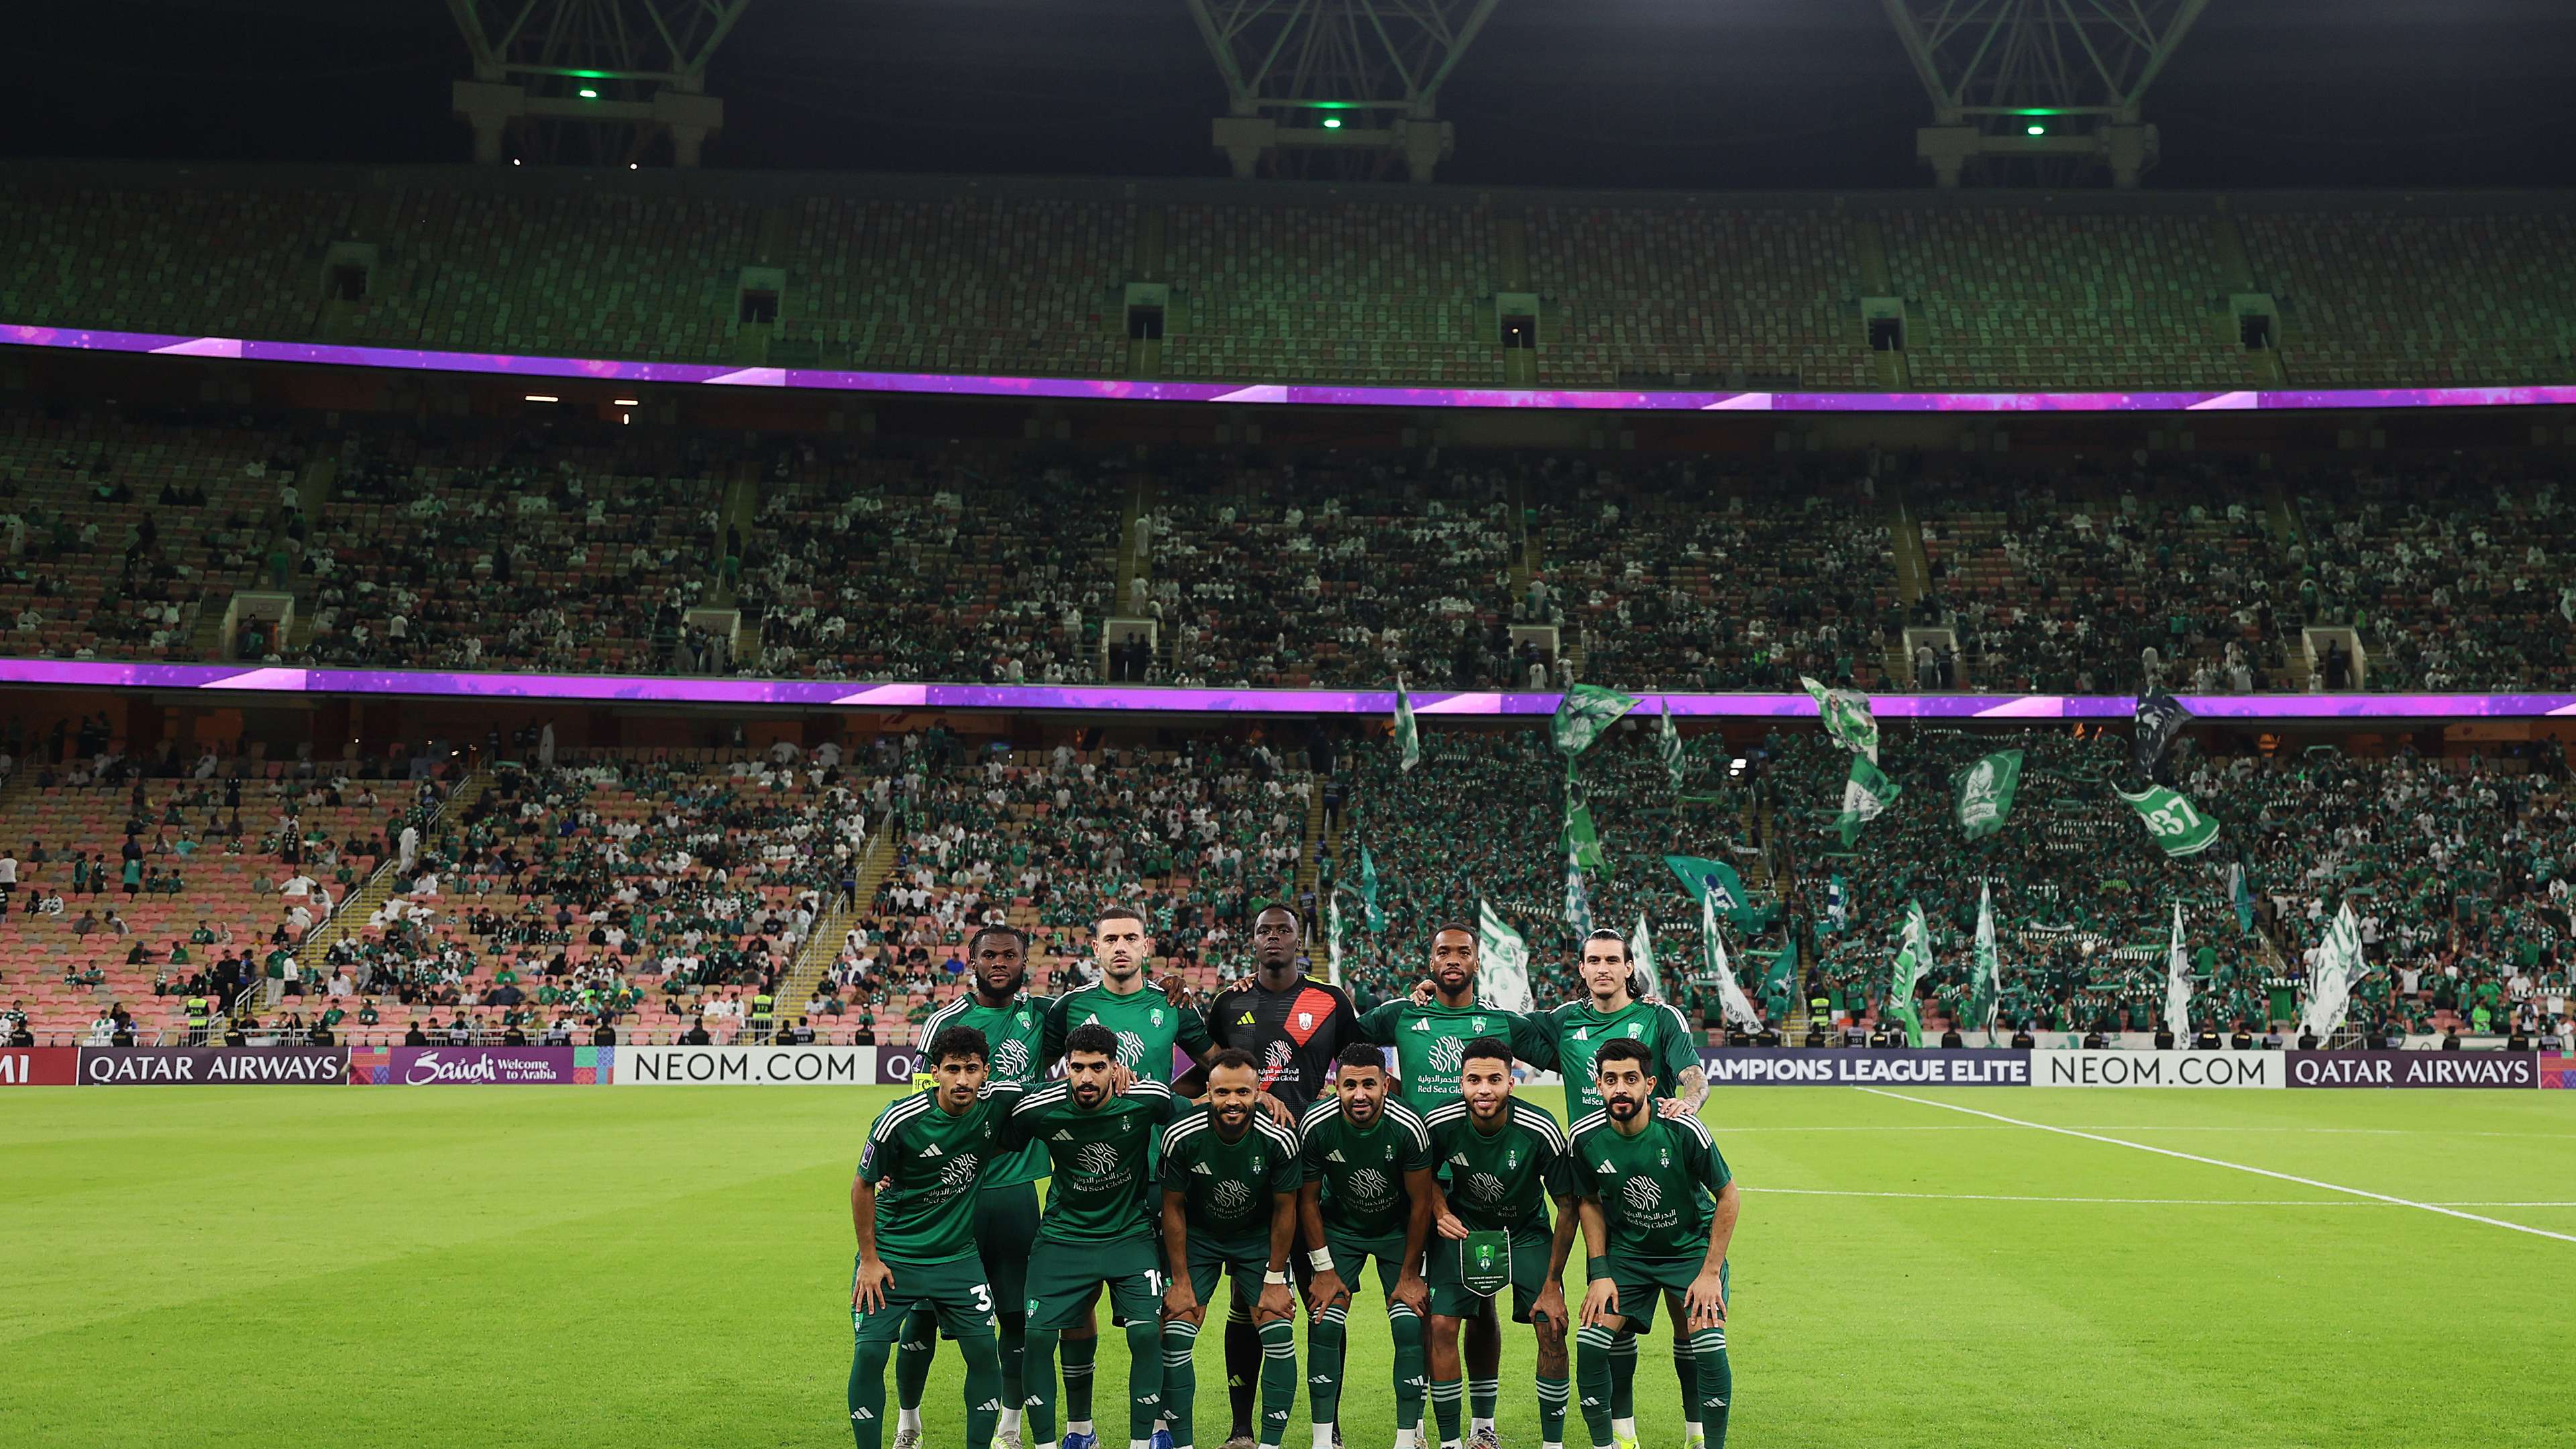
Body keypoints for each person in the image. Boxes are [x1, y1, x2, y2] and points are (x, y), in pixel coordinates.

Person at [1188, 902, 1364, 1444]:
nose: (1272, 938)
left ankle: (1326, 1426)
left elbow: (1359, 1063)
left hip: (1314, 1172)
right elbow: (1207, 1076)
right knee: (1247, 1302)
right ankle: (1243, 1429)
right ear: (1253, 939)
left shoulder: (1330, 1001)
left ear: (1300, 940)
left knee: (1322, 1299)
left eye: (1282, 930)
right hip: (1245, 1171)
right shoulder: (1230, 1001)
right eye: (1263, 930)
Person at [993, 1022, 1187, 1449]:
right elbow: (987, 1135)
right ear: (1065, 1067)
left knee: (1144, 1333)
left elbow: (1197, 1118)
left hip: (1129, 1235)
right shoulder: (1039, 1108)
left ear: (1115, 1067)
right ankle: (1058, 1441)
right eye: (1077, 1067)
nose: (1086, 1078)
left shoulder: (1146, 1099)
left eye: (1097, 1067)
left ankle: (1144, 1440)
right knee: (1038, 1336)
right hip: (1063, 1238)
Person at [902, 926, 1060, 1449]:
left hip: (1014, 1189)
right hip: (949, 1193)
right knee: (922, 1316)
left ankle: (1010, 1430)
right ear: (970, 961)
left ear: (1024, 961)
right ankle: (909, 1424)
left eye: (1009, 955)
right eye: (988, 954)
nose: (999, 963)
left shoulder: (1041, 1016)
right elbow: (922, 1105)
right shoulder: (946, 1021)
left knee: (1016, 1315)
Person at [1569, 1038, 1739, 1449]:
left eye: (1631, 1079)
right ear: (1599, 1084)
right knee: (1591, 1343)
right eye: (1611, 1080)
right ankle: (1613, 1443)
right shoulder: (1585, 1137)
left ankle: (1702, 1441)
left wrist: (1710, 1273)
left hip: (1690, 1252)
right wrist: (1600, 1272)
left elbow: (1728, 1196)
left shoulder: (1683, 1128)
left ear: (1650, 1083)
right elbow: (1588, 1201)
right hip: (1627, 1256)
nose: (1621, 1089)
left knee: (1708, 1345)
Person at [849, 1026, 1013, 1449]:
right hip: (894, 1257)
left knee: (983, 1353)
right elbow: (862, 1185)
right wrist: (869, 1260)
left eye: (972, 1070)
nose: (962, 1080)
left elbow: (1060, 1090)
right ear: (935, 1072)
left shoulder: (996, 1106)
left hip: (957, 1258)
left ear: (985, 1072)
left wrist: (1121, 1075)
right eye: (953, 1069)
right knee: (870, 1354)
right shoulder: (899, 1120)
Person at [1421, 1038, 1578, 1449]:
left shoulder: (1540, 1128)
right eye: (1474, 1080)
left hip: (1525, 1233)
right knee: (1441, 1325)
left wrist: (1553, 1283)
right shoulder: (1439, 1125)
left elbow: (1567, 1206)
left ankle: (1553, 1444)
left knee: (1552, 1326)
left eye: (1494, 1079)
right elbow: (1425, 1180)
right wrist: (1440, 1211)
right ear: (1461, 1082)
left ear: (1512, 1081)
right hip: (1466, 1232)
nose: (1484, 1090)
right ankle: (1452, 1442)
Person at [1157, 1048, 1304, 1449]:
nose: (1233, 1102)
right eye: (1222, 1093)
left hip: (1256, 1240)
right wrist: (1181, 1279)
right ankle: (1183, 1443)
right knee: (1176, 1330)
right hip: (1200, 1240)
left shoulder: (1279, 1138)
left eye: (1243, 1092)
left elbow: (1285, 1210)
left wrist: (1275, 1278)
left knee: (1276, 1327)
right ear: (1208, 1091)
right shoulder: (1181, 1135)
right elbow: (1171, 1209)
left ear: (1258, 1093)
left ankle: (1270, 1444)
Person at [1298, 1044, 1436, 1449]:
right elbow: (1306, 1200)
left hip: (1398, 1232)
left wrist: (1410, 1274)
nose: (1360, 1095)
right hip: (1341, 1230)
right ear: (1335, 1086)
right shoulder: (1315, 1125)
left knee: (1410, 1322)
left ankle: (1408, 1438)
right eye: (1351, 1085)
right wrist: (1323, 1270)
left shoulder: (1409, 1127)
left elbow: (1422, 1203)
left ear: (1386, 1085)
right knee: (1323, 1320)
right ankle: (1323, 1440)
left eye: (1370, 1084)